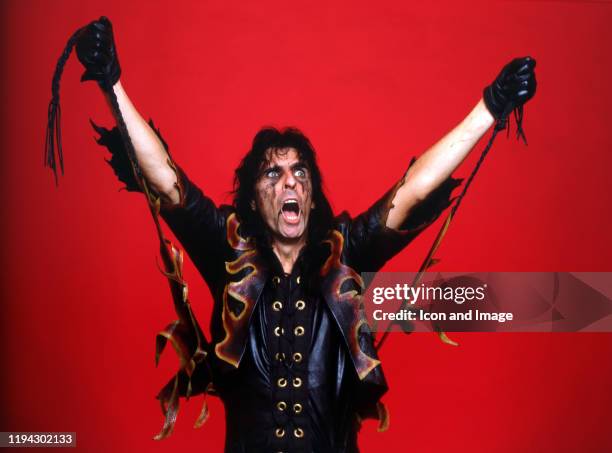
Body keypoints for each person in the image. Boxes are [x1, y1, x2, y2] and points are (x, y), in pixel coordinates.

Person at [74, 16, 536, 453]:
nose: (289, 181)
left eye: (299, 172)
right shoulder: (227, 246)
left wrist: (489, 106)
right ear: (254, 199)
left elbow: (412, 192)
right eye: (272, 174)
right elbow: (164, 177)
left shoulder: (347, 249)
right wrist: (111, 80)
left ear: (312, 195)